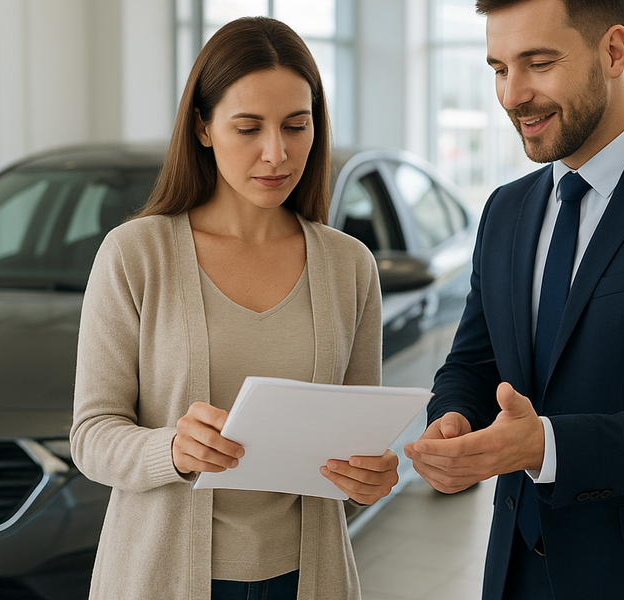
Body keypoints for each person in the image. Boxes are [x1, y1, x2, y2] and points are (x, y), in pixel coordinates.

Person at [70, 16, 398, 600]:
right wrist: (170, 448)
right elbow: (91, 435)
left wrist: (368, 479)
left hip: (308, 580)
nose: (277, 153)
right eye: (248, 128)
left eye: (297, 126)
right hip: (159, 578)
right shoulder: (135, 254)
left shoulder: (350, 266)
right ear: (202, 127)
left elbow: (354, 449)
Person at [404, 0, 624, 598]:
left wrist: (545, 445)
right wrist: (452, 421)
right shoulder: (505, 210)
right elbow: (473, 363)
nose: (512, 95)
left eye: (538, 63)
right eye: (499, 69)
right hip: (515, 571)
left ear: (614, 51)